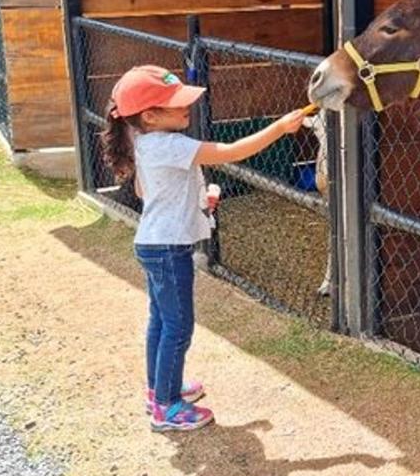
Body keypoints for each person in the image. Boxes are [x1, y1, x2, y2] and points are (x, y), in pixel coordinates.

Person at [99, 65, 305, 432]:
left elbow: (151, 193)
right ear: (150, 115)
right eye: (176, 105)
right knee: (178, 327)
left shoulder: (144, 141)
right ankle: (167, 407)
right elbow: (232, 151)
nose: (186, 108)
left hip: (153, 242)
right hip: (168, 248)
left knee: (161, 323)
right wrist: (279, 128)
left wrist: (200, 201)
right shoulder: (171, 144)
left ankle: (159, 390)